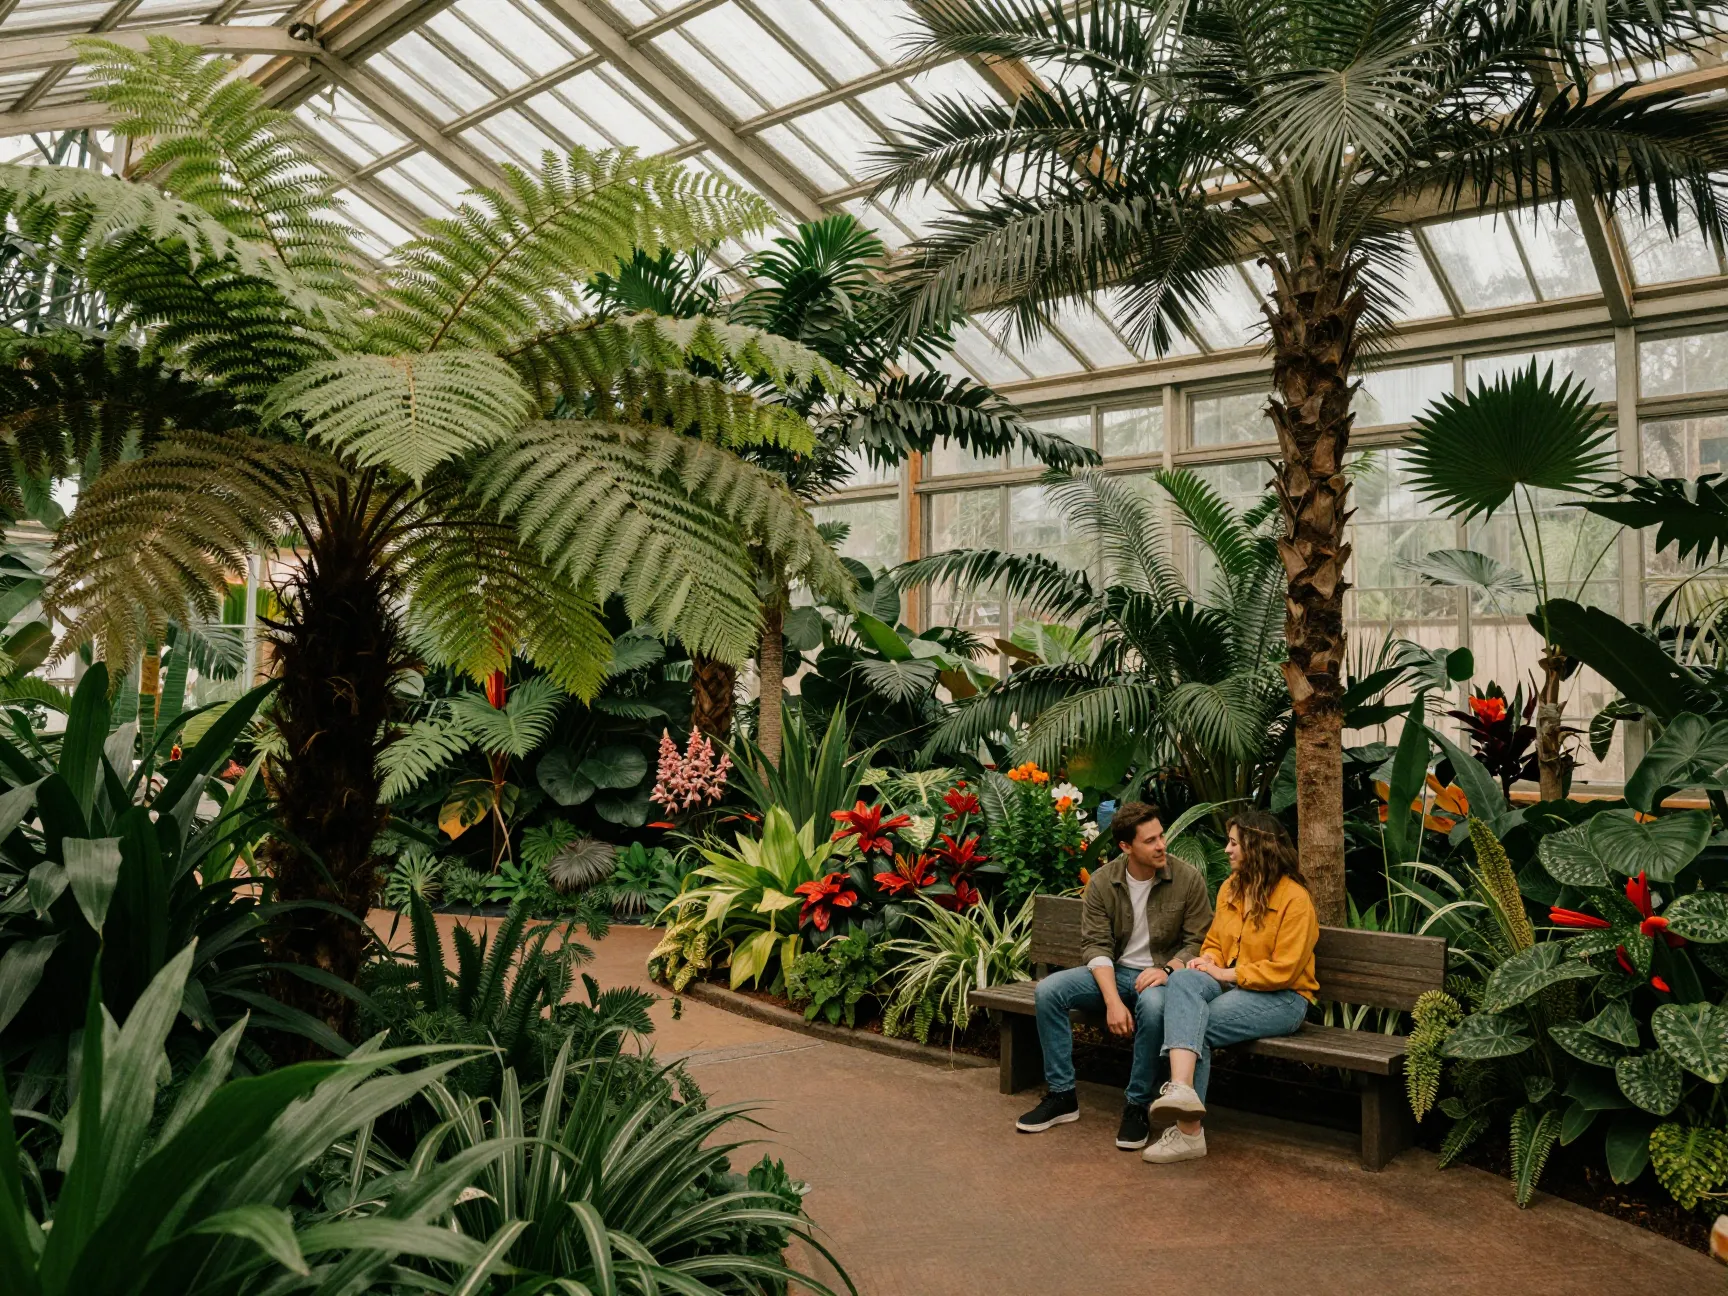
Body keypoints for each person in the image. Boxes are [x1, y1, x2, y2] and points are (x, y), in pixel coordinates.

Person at [1015, 800, 1214, 1151]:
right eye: (1150, 841)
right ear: (1125, 846)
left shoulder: (1186, 878)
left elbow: (1199, 941)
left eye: (1161, 836)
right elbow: (1095, 946)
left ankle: (1137, 1104)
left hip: (1165, 979)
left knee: (1153, 1008)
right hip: (1116, 974)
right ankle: (1062, 1095)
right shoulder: (1104, 882)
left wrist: (1167, 970)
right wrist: (1112, 1001)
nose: (1161, 845)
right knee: (1049, 991)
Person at [1141, 809, 1319, 1164]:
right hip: (1235, 990)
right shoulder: (1230, 888)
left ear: (1257, 847)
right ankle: (1182, 1091)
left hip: (1284, 998)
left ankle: (1188, 1132)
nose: (1226, 849)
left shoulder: (1294, 899)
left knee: (1196, 1026)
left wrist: (1226, 975)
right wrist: (1207, 961)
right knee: (1186, 978)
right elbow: (1216, 943)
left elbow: (1284, 970)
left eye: (1234, 843)